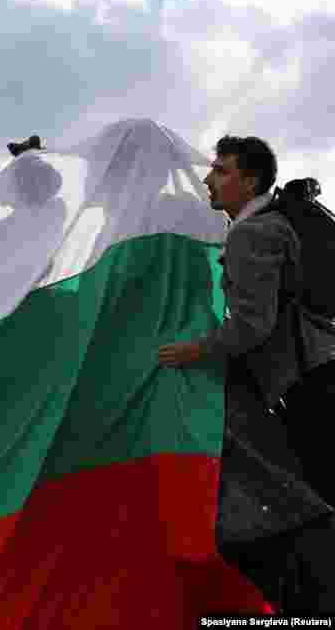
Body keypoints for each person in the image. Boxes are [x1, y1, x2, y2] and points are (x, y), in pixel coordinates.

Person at [158, 136, 335, 613]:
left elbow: (252, 326)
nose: (209, 180)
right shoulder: (280, 221)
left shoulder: (250, 234)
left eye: (221, 171)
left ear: (250, 180)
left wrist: (196, 350)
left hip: (310, 383)